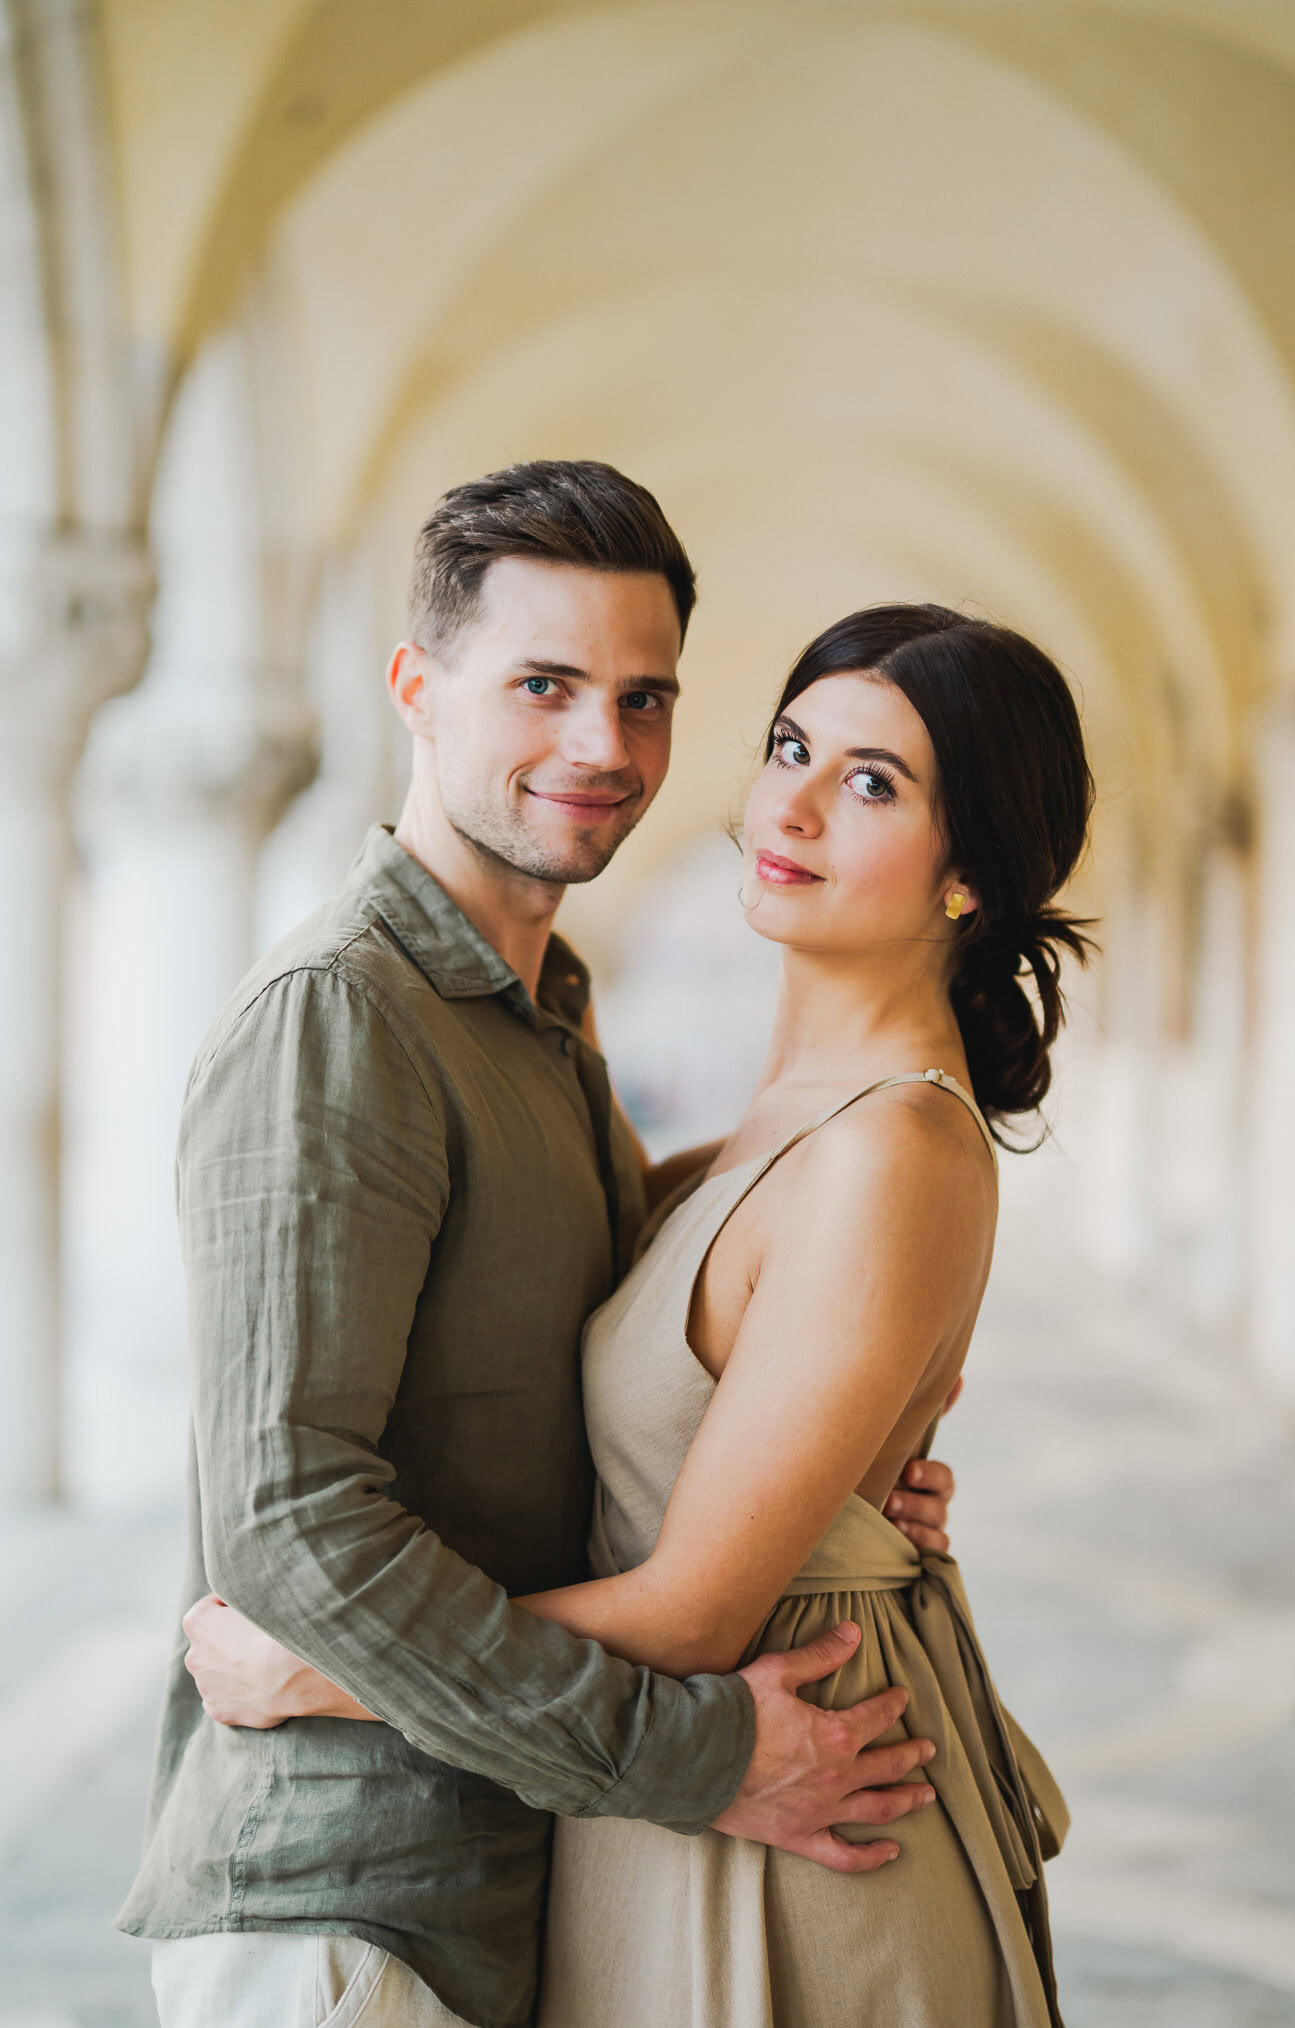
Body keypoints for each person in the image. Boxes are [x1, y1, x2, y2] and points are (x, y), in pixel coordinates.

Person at [116, 464, 960, 2028]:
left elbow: (642, 1328)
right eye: (545, 685)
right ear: (415, 691)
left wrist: (831, 1452)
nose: (603, 746)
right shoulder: (342, 1020)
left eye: (644, 699)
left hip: (502, 1879)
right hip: (346, 1908)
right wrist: (698, 1756)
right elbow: (292, 1532)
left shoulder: (546, 1021)